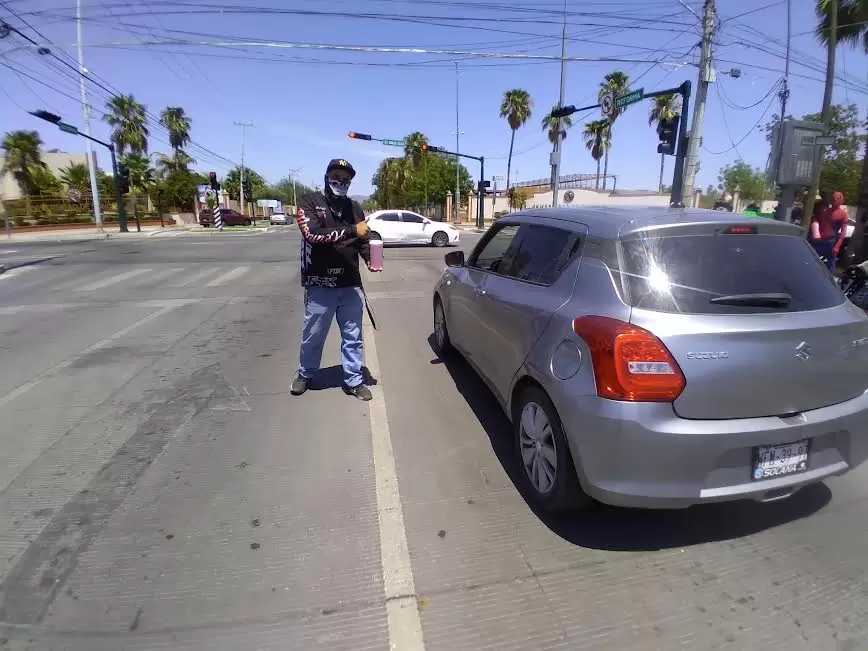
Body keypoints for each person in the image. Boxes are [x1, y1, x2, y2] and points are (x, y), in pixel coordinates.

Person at [290, 159, 379, 401]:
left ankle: (353, 380)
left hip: (350, 284)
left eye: (346, 179)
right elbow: (313, 235)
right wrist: (352, 231)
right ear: (327, 176)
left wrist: (370, 257)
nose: (341, 182)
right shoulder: (310, 203)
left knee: (353, 336)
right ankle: (305, 374)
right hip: (320, 284)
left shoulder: (354, 208)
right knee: (314, 334)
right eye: (336, 177)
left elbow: (362, 240)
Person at [810, 191, 848, 272]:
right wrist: (815, 232)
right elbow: (818, 221)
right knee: (810, 259)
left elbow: (843, 232)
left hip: (830, 242)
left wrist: (837, 245)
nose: (834, 199)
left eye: (837, 198)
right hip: (819, 241)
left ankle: (829, 280)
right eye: (833, 197)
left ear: (841, 200)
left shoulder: (843, 214)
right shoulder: (825, 211)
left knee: (831, 264)